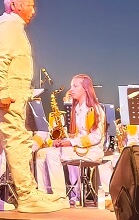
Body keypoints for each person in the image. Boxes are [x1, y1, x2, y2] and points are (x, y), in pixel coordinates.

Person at [0, 0, 68, 213]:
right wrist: (3, 91)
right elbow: (1, 59)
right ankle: (27, 196)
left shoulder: (6, 24)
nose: (34, 11)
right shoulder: (10, 24)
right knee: (17, 142)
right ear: (15, 5)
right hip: (7, 93)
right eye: (30, 5)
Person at [34, 74, 107, 206]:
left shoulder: (94, 109)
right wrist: (63, 141)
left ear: (85, 89)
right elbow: (76, 136)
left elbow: (96, 137)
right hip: (79, 148)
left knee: (52, 155)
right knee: (41, 153)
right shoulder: (77, 109)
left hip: (91, 151)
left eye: (75, 86)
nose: (71, 89)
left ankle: (59, 197)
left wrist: (70, 142)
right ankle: (44, 194)